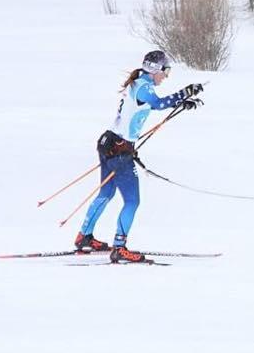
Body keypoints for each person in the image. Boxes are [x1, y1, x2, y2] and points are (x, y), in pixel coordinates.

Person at [74, 50, 202, 263]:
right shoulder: (143, 86)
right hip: (119, 150)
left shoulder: (139, 84)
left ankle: (84, 237)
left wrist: (182, 102)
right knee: (132, 201)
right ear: (154, 69)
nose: (166, 75)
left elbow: (152, 105)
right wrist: (185, 93)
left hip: (109, 143)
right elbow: (158, 104)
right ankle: (119, 247)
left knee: (106, 193)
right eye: (165, 70)